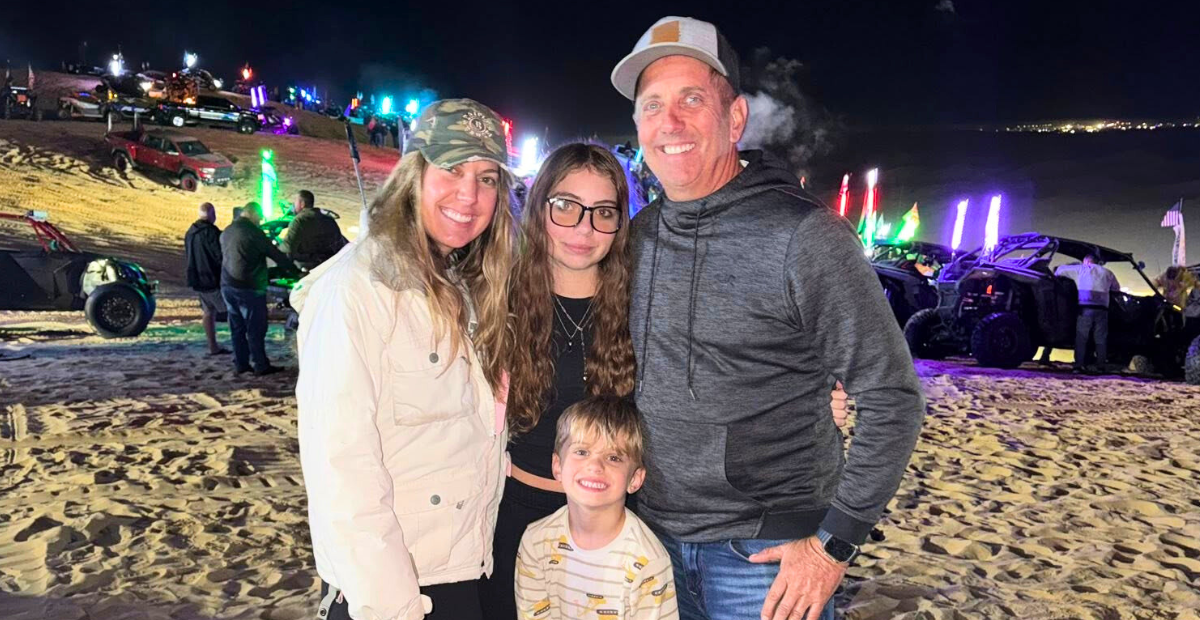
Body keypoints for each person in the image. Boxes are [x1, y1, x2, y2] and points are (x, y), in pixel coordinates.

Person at [612, 16, 927, 620]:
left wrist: (835, 544)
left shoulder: (807, 237)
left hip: (765, 560)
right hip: (647, 546)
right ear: (637, 126)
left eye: (692, 100)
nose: (669, 123)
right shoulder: (639, 235)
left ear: (734, 120)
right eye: (652, 106)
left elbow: (892, 397)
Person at [292, 99, 515, 620]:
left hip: (461, 569)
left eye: (487, 178)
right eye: (453, 170)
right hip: (399, 588)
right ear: (414, 174)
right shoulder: (356, 288)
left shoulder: (456, 280)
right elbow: (341, 467)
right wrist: (392, 605)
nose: (470, 194)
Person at [515, 396, 678, 619]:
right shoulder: (536, 541)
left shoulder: (647, 560)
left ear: (635, 479)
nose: (594, 466)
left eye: (613, 457)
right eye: (582, 452)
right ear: (557, 466)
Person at [219, 201, 296, 376]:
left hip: (228, 286)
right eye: (259, 218)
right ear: (253, 214)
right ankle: (260, 365)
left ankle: (241, 363)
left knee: (237, 327)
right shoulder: (254, 232)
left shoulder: (228, 231)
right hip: (249, 288)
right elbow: (275, 255)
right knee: (256, 328)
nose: (260, 221)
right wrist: (295, 272)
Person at [1056, 252, 1120, 372]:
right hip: (1102, 309)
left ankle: (1079, 365)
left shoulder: (1081, 269)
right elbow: (1116, 288)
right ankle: (1101, 366)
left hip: (1085, 308)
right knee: (1100, 338)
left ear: (1086, 261)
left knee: (1081, 337)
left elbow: (1059, 270)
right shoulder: (1108, 273)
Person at [184, 202, 229, 355]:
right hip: (211, 279)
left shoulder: (190, 232)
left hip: (197, 278)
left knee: (208, 312)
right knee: (231, 312)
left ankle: (213, 346)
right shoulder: (211, 232)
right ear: (211, 214)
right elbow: (220, 256)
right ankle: (242, 346)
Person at [281, 190, 347, 270]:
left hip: (309, 267)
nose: (293, 205)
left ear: (302, 204)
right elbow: (340, 243)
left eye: (295, 202)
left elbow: (288, 248)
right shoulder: (328, 219)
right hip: (331, 266)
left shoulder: (300, 220)